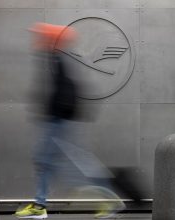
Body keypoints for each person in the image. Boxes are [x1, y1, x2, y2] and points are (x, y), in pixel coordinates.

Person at [15, 23, 125, 219]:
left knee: (60, 162)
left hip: (58, 121)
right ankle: (40, 204)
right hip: (58, 119)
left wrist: (53, 114)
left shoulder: (57, 59)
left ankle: (106, 199)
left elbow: (64, 91)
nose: (37, 40)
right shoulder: (56, 58)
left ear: (51, 39)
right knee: (51, 161)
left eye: (42, 36)